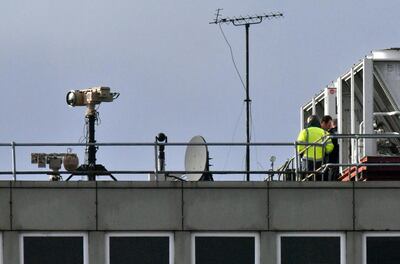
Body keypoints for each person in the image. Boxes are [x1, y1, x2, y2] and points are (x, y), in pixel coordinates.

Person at [297, 115, 334, 181]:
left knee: (307, 180)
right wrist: (324, 151)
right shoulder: (324, 132)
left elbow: (299, 146)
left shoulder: (305, 131)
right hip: (320, 161)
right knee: (319, 179)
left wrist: (302, 152)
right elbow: (330, 147)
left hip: (307, 161)